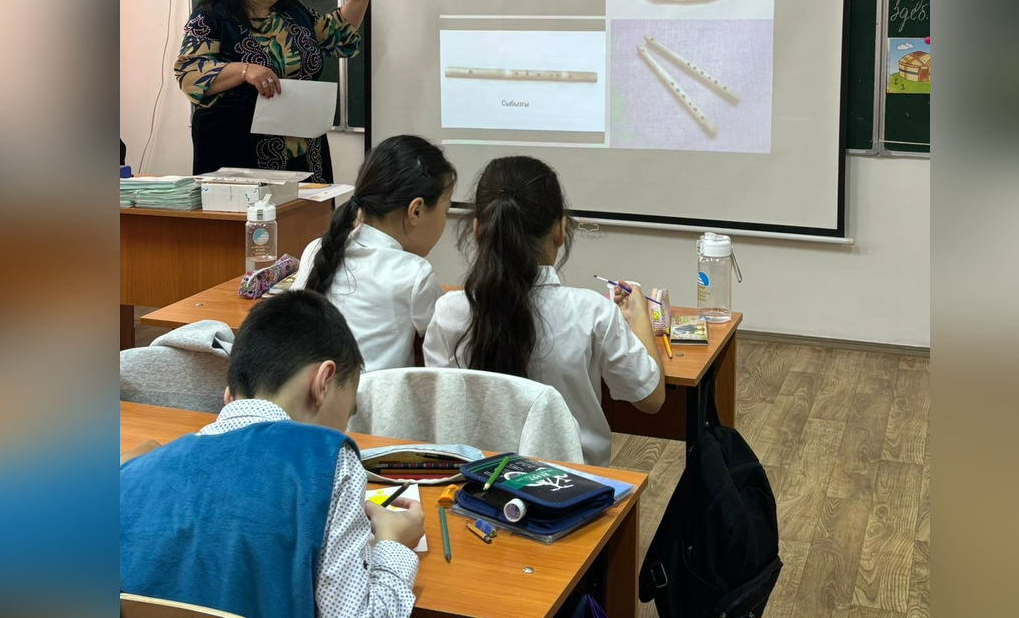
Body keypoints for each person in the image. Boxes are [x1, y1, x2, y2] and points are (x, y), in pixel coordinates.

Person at [120, 290, 423, 618]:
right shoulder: (327, 459)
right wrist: (394, 544)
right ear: (322, 383)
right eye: (347, 412)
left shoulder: (128, 477)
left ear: (229, 397)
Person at [423, 155, 665, 465]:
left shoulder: (449, 312)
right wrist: (639, 315)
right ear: (560, 230)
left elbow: (441, 408)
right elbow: (651, 398)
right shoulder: (592, 312)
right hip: (572, 486)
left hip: (475, 482)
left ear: (476, 229)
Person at [175, 0, 379, 180]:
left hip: (303, 148)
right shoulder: (212, 18)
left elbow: (335, 36)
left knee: (306, 206)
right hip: (238, 151)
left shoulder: (292, 10)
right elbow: (190, 73)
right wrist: (245, 70)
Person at [294, 135, 456, 371]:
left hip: (310, 391)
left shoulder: (316, 249)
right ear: (417, 211)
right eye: (446, 209)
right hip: (373, 395)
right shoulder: (413, 274)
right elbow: (453, 327)